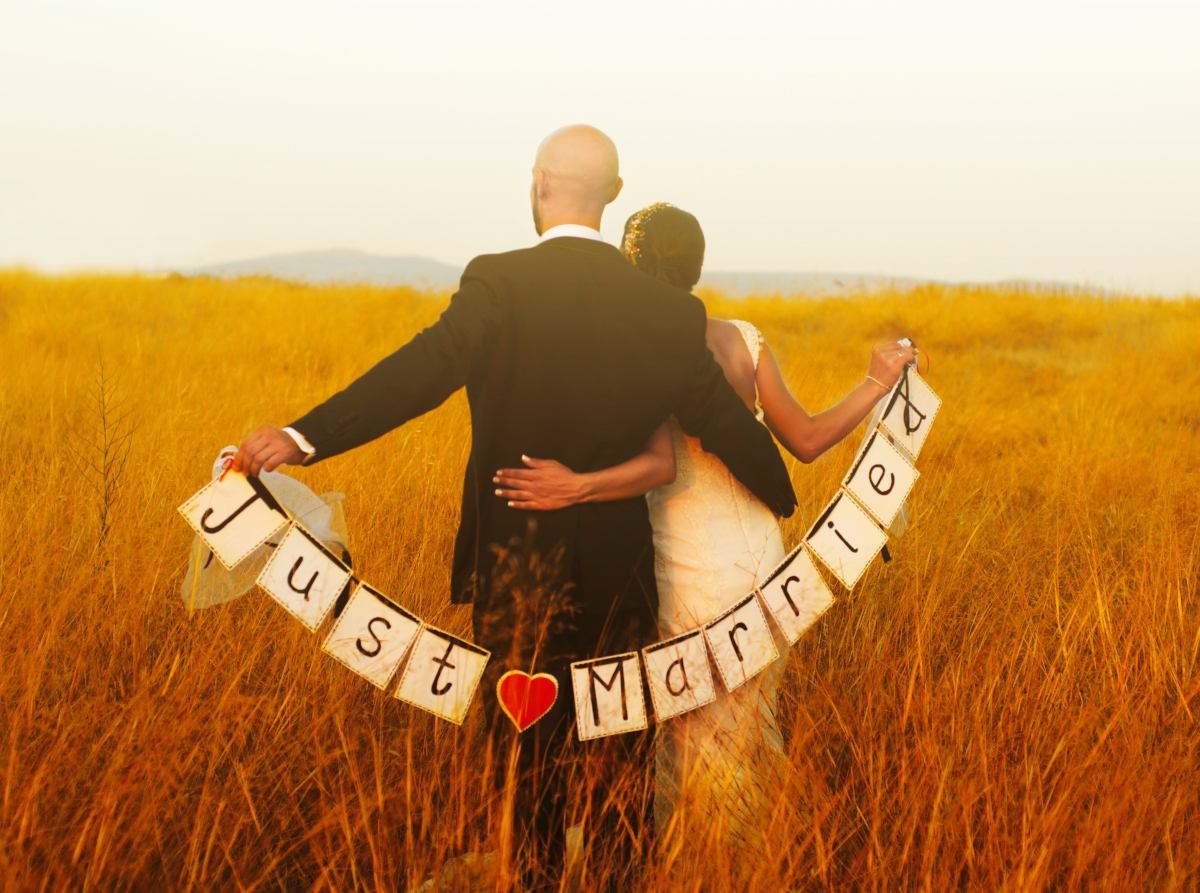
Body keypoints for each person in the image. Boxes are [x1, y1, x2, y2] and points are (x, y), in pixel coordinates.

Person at [230, 130, 797, 891]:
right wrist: (780, 487)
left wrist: (302, 438)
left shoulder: (497, 282)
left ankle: (531, 878)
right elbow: (726, 424)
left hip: (513, 575)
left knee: (527, 769)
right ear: (615, 192)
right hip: (620, 578)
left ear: (537, 184)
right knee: (619, 769)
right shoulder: (663, 312)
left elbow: (419, 373)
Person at [493, 203, 916, 853]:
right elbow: (804, 439)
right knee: (746, 716)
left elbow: (651, 461)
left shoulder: (636, 344)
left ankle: (697, 857)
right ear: (696, 266)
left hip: (682, 558)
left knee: (685, 719)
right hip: (756, 553)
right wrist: (873, 382)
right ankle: (751, 854)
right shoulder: (742, 337)